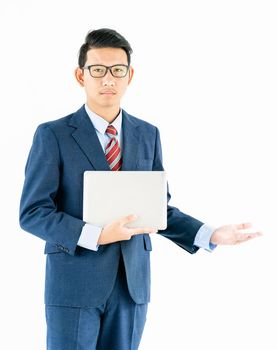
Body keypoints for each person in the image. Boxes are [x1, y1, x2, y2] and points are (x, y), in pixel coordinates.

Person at [19, 28, 262, 350]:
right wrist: (96, 234)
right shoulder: (53, 134)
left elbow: (157, 208)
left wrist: (211, 234)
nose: (108, 79)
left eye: (117, 70)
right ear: (81, 76)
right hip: (74, 282)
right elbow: (33, 213)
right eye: (98, 70)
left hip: (132, 284)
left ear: (129, 75)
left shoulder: (148, 134)